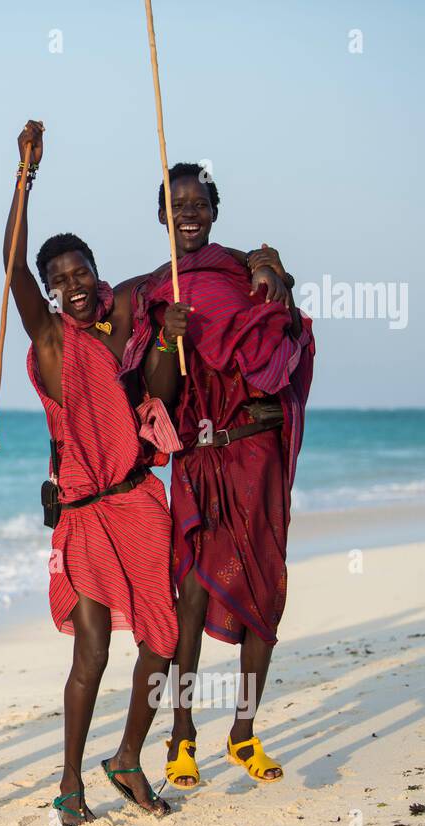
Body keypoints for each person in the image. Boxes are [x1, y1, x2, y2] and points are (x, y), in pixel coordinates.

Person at [4, 121, 185, 826]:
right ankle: (71, 782)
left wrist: (170, 339)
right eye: (60, 281)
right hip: (84, 514)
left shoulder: (126, 332)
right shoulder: (53, 340)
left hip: (140, 502)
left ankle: (128, 757)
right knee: (92, 649)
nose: (73, 287)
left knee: (163, 641)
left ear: (95, 273)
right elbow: (12, 265)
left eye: (81, 274)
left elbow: (161, 395)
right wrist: (25, 175)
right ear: (49, 294)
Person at [135, 163, 315, 790]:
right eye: (175, 204)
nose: (187, 212)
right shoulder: (160, 289)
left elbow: (278, 337)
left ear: (213, 211)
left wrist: (276, 276)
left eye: (198, 203)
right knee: (191, 594)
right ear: (161, 216)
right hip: (200, 458)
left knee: (264, 591)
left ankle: (243, 731)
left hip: (255, 454)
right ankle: (181, 733)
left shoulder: (241, 272)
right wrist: (165, 337)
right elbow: (156, 392)